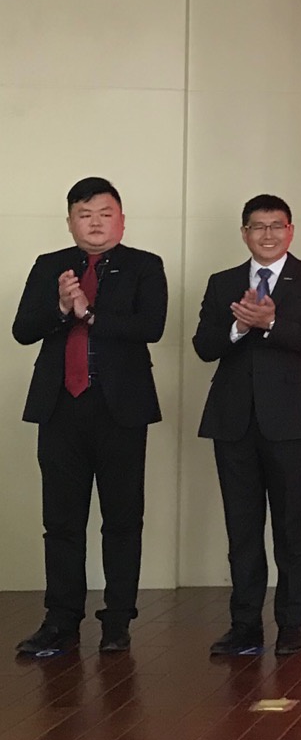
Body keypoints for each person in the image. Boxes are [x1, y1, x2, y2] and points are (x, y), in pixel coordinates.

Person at [11, 178, 167, 657]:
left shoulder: (145, 265)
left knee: (122, 519)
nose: (95, 223)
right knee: (61, 521)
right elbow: (22, 329)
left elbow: (151, 326)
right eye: (84, 214)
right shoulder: (50, 265)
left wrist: (91, 314)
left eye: (104, 213)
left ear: (121, 220)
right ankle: (60, 621)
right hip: (60, 407)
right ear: (70, 221)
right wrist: (62, 307)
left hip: (120, 409)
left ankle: (117, 621)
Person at [192, 195, 301, 658]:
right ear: (244, 233)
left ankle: (290, 624)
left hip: (291, 422)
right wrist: (239, 327)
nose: (268, 234)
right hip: (232, 421)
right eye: (258, 226)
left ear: (290, 231)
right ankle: (244, 624)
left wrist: (271, 322)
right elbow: (203, 346)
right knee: (242, 528)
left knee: (292, 526)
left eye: (277, 226)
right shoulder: (223, 282)